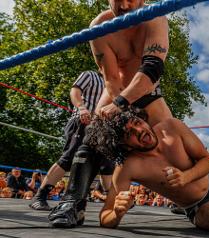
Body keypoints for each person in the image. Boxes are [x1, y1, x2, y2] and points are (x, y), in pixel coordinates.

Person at [48, 0, 173, 227]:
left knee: (173, 139)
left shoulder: (156, 17)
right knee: (92, 137)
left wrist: (121, 104)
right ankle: (72, 203)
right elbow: (112, 79)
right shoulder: (100, 27)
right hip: (116, 90)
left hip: (147, 87)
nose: (125, 5)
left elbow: (152, 68)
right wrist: (119, 108)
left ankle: (190, 198)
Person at [29, 71, 114, 210]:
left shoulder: (113, 84)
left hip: (101, 127)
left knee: (106, 163)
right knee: (69, 158)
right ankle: (40, 196)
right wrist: (81, 108)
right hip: (82, 121)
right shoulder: (90, 75)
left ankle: (111, 198)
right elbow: (75, 91)